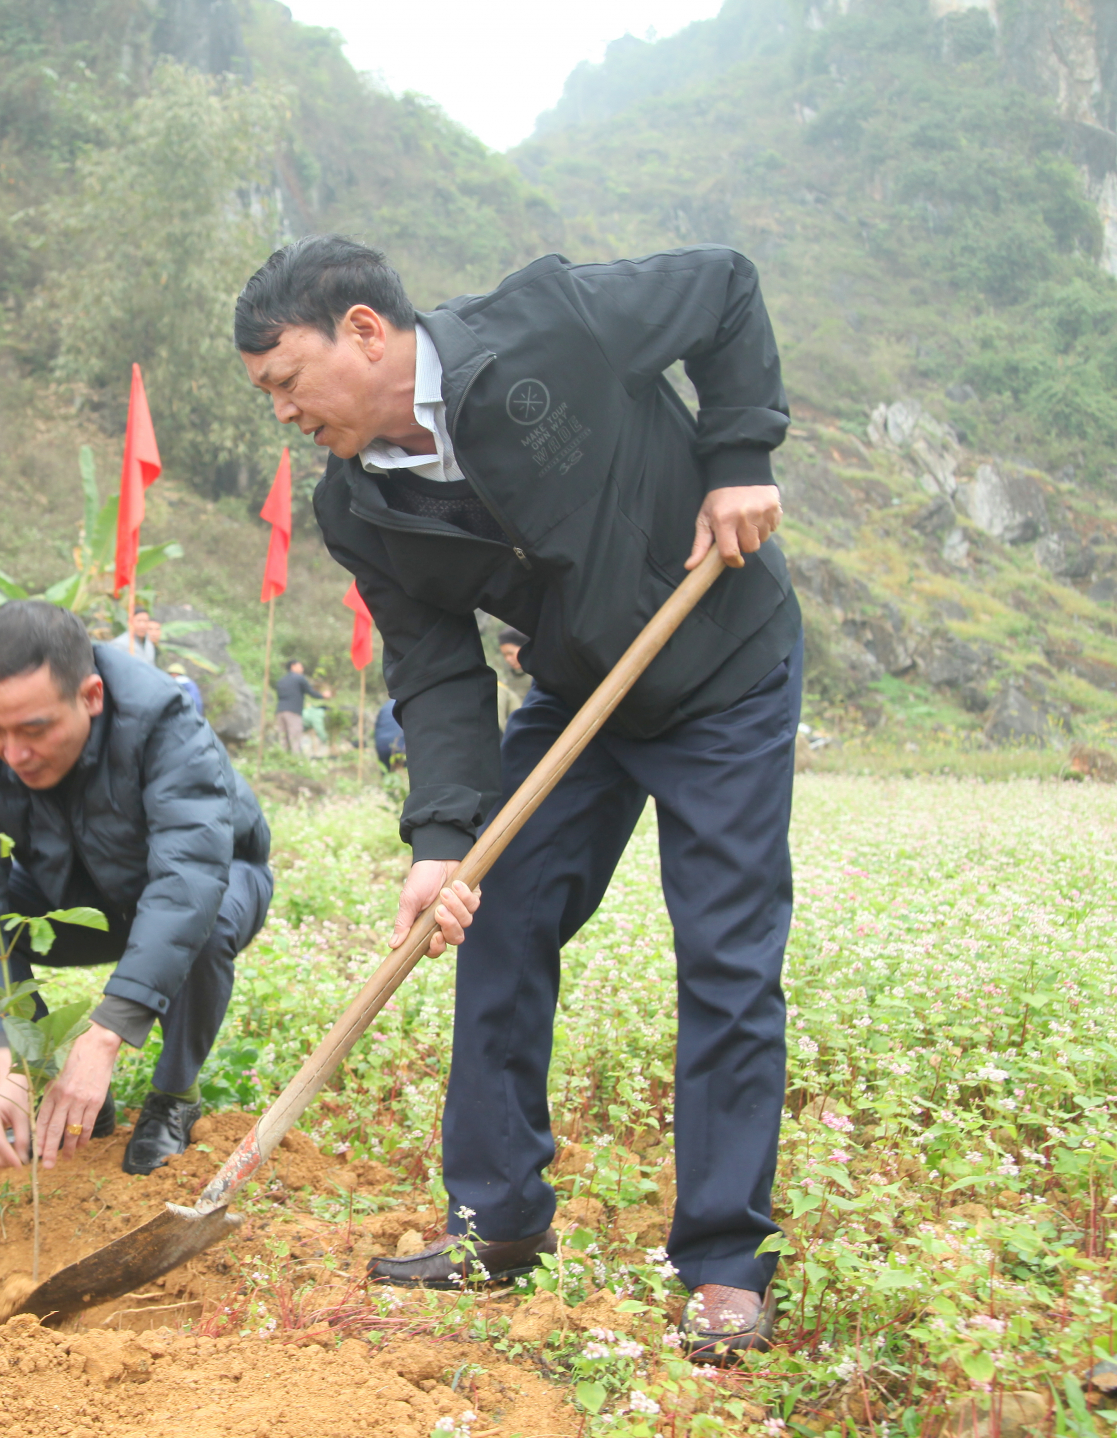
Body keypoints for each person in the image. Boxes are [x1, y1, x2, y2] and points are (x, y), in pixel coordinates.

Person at [235, 235, 797, 1360]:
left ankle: (726, 1264)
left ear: (362, 330)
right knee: (492, 916)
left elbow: (726, 287)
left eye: (287, 383)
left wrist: (737, 457)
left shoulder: (549, 322)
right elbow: (438, 672)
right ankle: (496, 1224)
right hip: (583, 691)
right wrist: (443, 841)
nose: (284, 414)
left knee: (725, 957)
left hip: (721, 661)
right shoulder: (358, 511)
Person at [0, 601, 273, 1175]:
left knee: (209, 915)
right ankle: (61, 1083)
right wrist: (5, 1063)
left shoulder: (162, 718)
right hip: (72, 904)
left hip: (205, 884)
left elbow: (189, 878)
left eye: (34, 730)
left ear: (90, 696)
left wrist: (107, 1033)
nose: (12, 754)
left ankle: (174, 1097)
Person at [272, 660, 327, 752]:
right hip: (293, 711)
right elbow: (310, 692)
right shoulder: (299, 678)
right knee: (295, 736)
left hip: (280, 711)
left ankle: (282, 757)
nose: (302, 668)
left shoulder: (281, 680)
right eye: (300, 666)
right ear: (293, 666)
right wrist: (322, 696)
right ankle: (296, 759)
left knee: (283, 737)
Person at [495, 626, 531, 726]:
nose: (508, 659)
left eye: (510, 653)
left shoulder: (537, 675)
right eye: (505, 655)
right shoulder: (510, 676)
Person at [373, 698, 405, 771]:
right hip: (401, 746)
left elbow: (377, 727)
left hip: (382, 746)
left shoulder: (386, 705)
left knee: (386, 773)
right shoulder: (405, 702)